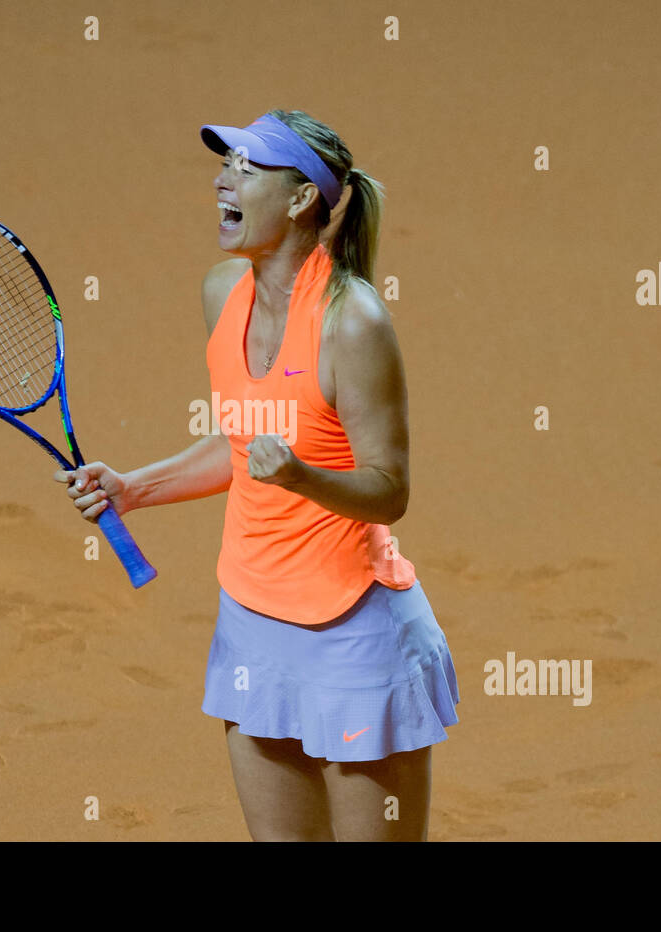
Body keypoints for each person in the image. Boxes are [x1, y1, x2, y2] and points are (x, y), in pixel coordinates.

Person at [53, 109, 459, 841]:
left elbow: (389, 489)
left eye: (245, 167)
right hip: (253, 627)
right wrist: (135, 487)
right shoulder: (221, 293)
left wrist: (302, 476)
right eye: (224, 165)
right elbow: (243, 446)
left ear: (302, 198)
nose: (221, 181)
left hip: (354, 634)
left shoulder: (352, 322)